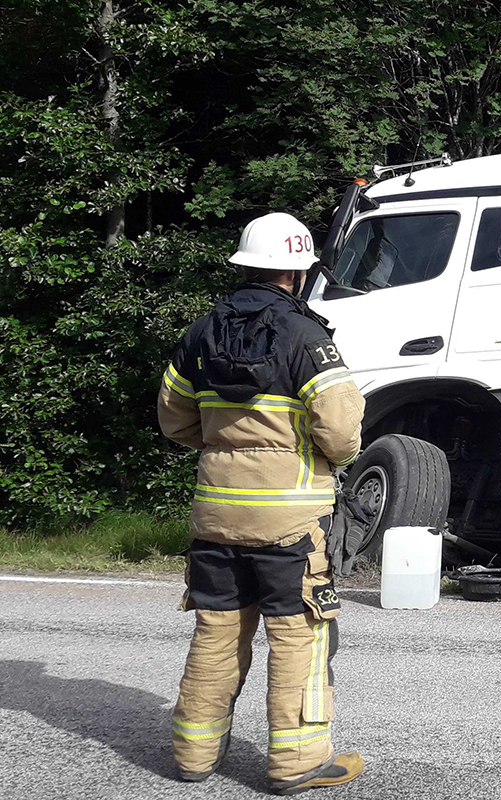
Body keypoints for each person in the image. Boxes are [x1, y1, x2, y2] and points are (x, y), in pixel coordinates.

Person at [157, 212, 367, 793]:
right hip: (291, 523)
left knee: (216, 631)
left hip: (215, 517)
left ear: (245, 264)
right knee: (299, 633)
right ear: (299, 273)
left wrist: (226, 445)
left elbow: (173, 420)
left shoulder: (201, 333)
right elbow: (343, 434)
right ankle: (296, 762)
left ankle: (194, 757)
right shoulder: (306, 337)